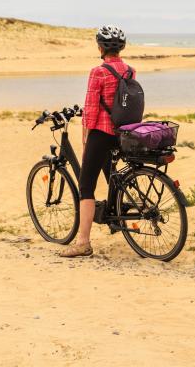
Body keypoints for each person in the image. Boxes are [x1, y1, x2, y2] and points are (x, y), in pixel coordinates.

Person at [60, 25, 133, 258]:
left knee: (86, 186)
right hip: (122, 133)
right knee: (111, 174)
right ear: (121, 47)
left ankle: (83, 242)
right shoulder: (130, 70)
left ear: (100, 47)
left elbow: (91, 110)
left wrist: (85, 138)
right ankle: (116, 217)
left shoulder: (98, 72)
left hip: (101, 133)